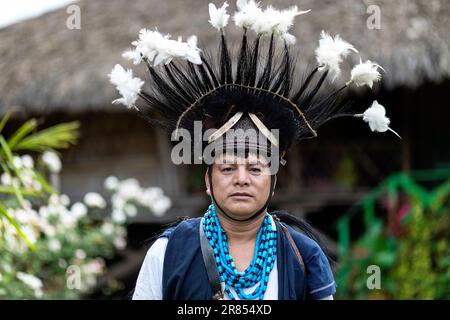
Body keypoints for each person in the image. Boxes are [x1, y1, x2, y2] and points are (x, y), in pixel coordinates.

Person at [109, 0, 399, 300]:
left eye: (256, 168)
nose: (242, 178)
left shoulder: (304, 255)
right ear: (207, 180)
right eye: (227, 167)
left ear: (273, 183)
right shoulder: (168, 253)